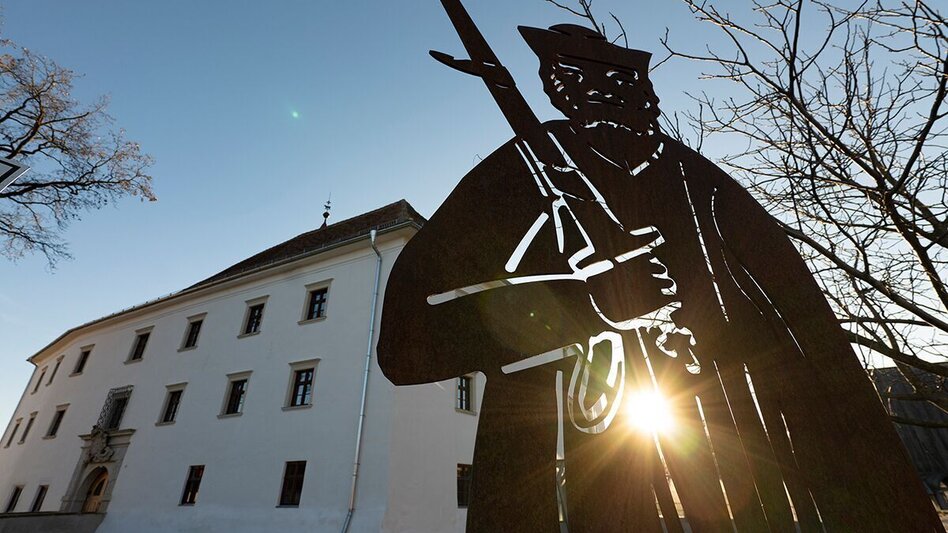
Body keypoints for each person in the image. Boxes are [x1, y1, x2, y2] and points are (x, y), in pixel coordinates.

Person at [378, 22, 939, 533]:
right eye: (564, 76)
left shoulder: (711, 191)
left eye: (610, 73)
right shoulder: (522, 171)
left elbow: (818, 352)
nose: (587, 88)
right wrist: (579, 303)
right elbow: (405, 343)